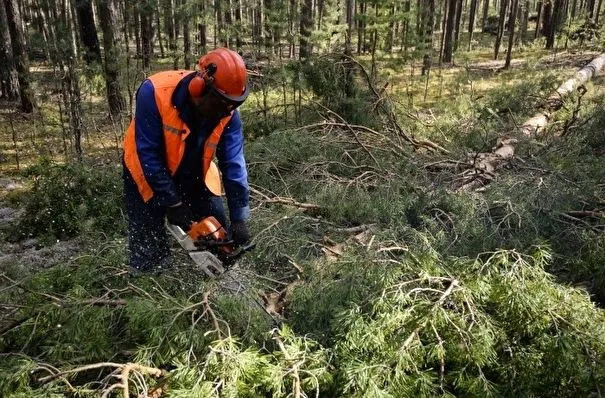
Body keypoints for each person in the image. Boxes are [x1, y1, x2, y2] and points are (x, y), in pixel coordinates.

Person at [122, 47, 251, 273]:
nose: (226, 111)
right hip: (145, 171)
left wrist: (239, 218)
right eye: (221, 102)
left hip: (194, 173)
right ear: (199, 87)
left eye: (232, 104)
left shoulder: (228, 112)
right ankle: (146, 284)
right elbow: (149, 154)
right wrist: (173, 203)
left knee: (217, 238)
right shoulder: (155, 92)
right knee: (148, 248)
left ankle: (217, 291)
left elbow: (233, 163)